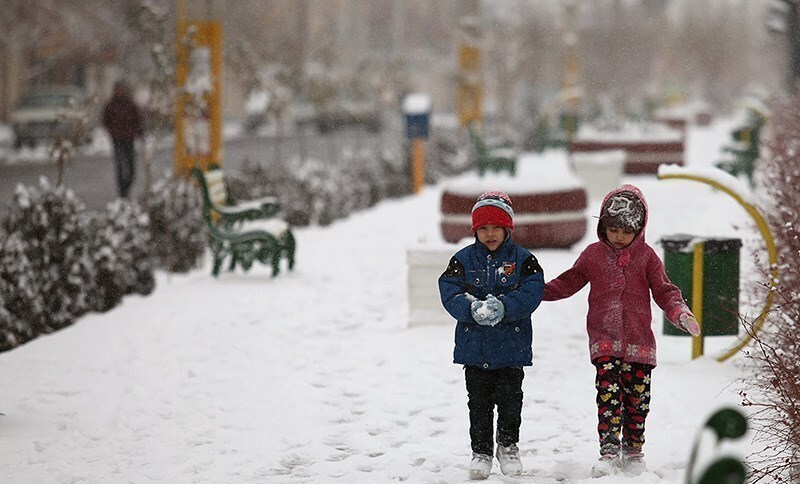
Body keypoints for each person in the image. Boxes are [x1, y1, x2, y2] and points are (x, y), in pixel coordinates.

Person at [542, 184, 701, 477]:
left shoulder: (648, 257)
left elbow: (665, 292)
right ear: (603, 226)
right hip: (604, 342)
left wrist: (680, 312)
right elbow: (568, 282)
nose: (618, 236)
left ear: (638, 230)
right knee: (608, 396)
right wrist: (536, 292)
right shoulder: (592, 255)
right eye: (613, 229)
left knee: (637, 401)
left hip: (640, 345)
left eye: (626, 232)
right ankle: (609, 450)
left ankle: (634, 449)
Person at [438, 191, 545, 480]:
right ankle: (481, 451)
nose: (489, 234)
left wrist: (506, 306)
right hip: (476, 351)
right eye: (482, 228)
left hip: (512, 351)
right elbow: (449, 290)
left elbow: (533, 291)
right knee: (479, 405)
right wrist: (470, 308)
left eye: (496, 227)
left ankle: (508, 447)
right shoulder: (462, 260)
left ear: (507, 228)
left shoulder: (524, 260)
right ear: (474, 231)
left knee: (511, 403)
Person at [102, 81, 143, 198]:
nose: (120, 92)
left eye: (122, 89)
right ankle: (122, 193)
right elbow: (106, 120)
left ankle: (126, 189)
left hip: (129, 140)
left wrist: (138, 133)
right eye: (118, 89)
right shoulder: (110, 105)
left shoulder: (130, 104)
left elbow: (138, 120)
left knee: (131, 168)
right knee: (120, 165)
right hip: (117, 140)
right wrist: (113, 131)